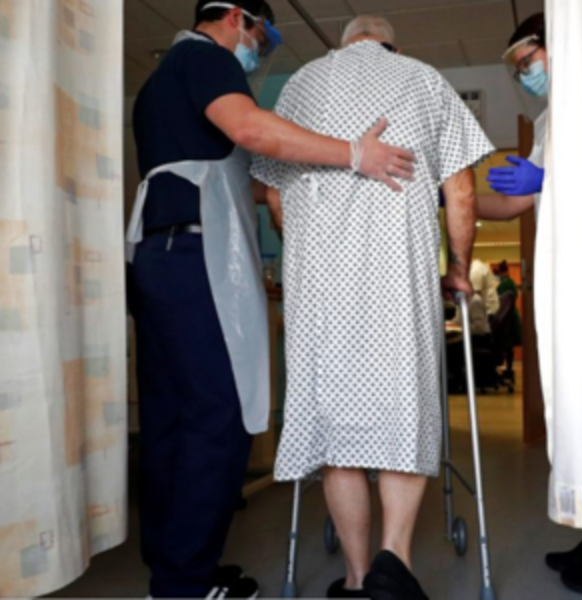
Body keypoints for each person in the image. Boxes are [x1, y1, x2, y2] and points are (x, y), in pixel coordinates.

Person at [126, 2, 416, 598]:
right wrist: (355, 154)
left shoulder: (158, 84)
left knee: (169, 420)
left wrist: (318, 180)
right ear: (238, 17)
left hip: (158, 256)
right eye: (265, 36)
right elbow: (252, 131)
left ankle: (176, 571)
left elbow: (242, 178)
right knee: (217, 416)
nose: (261, 49)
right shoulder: (207, 59)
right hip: (196, 257)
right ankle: (184, 585)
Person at [251, 15, 494, 600]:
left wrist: (299, 249)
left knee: (335, 428)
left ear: (343, 46)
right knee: (403, 416)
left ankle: (357, 578)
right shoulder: (424, 78)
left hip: (320, 295)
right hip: (399, 285)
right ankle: (394, 564)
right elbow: (461, 191)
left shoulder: (302, 83)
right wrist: (458, 267)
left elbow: (275, 196)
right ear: (393, 47)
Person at [481, 12, 582, 597]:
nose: (526, 74)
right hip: (568, 281)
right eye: (520, 67)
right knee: (581, 409)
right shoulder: (554, 118)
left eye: (530, 60)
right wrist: (452, 196)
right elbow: (516, 204)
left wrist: (548, 182)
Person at [495, 260, 522, 382]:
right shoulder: (510, 282)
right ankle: (509, 369)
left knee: (506, 345)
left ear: (502, 272)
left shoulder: (504, 284)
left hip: (506, 319)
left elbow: (499, 301)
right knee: (508, 347)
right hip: (511, 316)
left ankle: (508, 369)